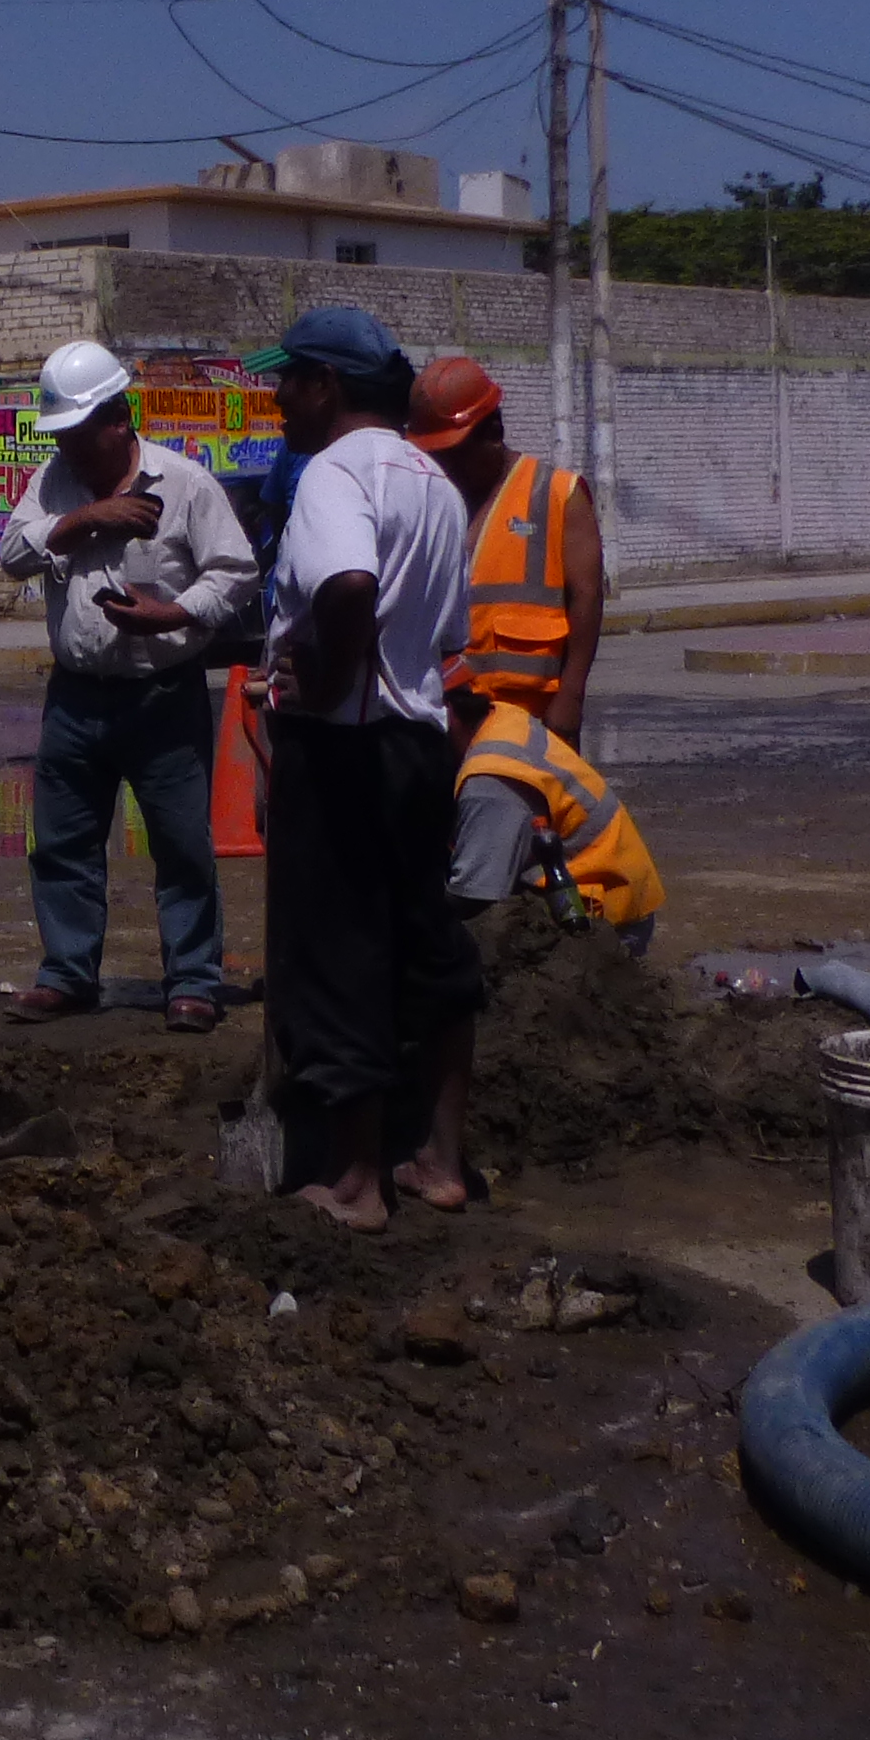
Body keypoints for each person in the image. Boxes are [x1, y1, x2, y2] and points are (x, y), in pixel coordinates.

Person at [253, 303, 483, 1230]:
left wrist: (326, 676)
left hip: (345, 750)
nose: (275, 400)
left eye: (286, 380)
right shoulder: (432, 479)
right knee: (426, 949)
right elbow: (448, 639)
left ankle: (355, 1185)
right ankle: (438, 1159)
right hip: (416, 747)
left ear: (325, 385)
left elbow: (347, 583)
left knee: (337, 955)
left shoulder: (329, 475)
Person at [0, 338, 259, 1034]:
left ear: (117, 419)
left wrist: (172, 614)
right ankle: (67, 973)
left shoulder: (185, 484)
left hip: (161, 694)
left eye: (78, 434)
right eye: (62, 437)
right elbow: (13, 555)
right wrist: (84, 521)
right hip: (77, 697)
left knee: (181, 845)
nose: (70, 450)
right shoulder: (55, 483)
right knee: (62, 842)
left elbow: (236, 574)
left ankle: (193, 981)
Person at [407, 357, 604, 745]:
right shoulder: (430, 499)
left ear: (493, 431)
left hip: (533, 714)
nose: (441, 464)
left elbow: (588, 596)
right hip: (451, 714)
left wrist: (571, 696)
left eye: (452, 451)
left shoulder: (557, 494)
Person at [449, 700, 665, 949]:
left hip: (594, 919)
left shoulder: (491, 783)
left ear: (450, 715)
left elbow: (473, 898)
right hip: (622, 894)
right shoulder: (501, 718)